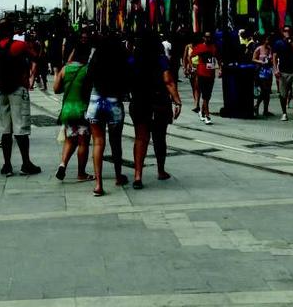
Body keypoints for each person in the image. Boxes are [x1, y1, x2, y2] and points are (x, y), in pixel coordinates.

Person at [128, 31, 183, 188]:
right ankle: (160, 170)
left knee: (140, 138)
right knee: (160, 137)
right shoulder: (160, 59)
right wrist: (177, 101)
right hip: (159, 102)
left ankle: (138, 176)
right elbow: (168, 81)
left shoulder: (133, 59)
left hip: (139, 101)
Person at [0, 19, 41, 176]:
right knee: (21, 128)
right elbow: (36, 57)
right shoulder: (19, 45)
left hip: (2, 91)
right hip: (18, 89)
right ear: (11, 30)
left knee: (6, 129)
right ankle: (26, 163)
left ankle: (7, 165)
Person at [86, 34, 129, 196]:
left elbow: (88, 77)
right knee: (115, 141)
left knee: (98, 142)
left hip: (96, 100)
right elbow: (127, 80)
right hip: (113, 101)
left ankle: (98, 184)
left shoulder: (96, 56)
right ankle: (118, 176)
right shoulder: (121, 56)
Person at [53, 27, 93, 182]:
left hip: (68, 110)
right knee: (83, 141)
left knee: (70, 140)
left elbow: (56, 89)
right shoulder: (87, 69)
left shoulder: (65, 69)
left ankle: (63, 164)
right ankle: (81, 173)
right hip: (83, 110)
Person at [274, 27, 293, 122]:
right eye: (285, 31)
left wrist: (290, 41)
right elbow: (274, 57)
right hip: (283, 72)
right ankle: (284, 113)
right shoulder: (278, 43)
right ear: (282, 32)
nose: (287, 32)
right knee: (283, 94)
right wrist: (275, 69)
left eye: (289, 31)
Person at [190, 32, 218, 125]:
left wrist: (220, 69)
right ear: (203, 38)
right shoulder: (199, 47)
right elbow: (191, 57)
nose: (208, 38)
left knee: (208, 96)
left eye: (210, 37)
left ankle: (202, 112)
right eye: (206, 37)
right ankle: (207, 115)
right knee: (205, 95)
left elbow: (217, 58)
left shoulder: (214, 47)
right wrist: (193, 67)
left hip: (211, 74)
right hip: (202, 73)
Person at [251, 34, 274, 117]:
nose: (268, 41)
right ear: (264, 40)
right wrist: (261, 62)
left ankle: (265, 110)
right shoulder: (259, 49)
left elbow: (271, 58)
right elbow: (253, 59)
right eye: (267, 39)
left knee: (267, 92)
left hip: (268, 72)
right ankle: (256, 106)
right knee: (264, 90)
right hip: (261, 72)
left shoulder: (270, 49)